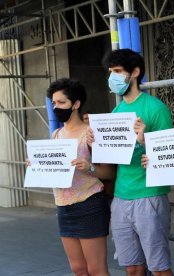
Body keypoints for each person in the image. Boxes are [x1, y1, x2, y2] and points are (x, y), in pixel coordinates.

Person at [87, 49, 173, 276]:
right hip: (121, 198)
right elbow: (109, 161)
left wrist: (145, 141)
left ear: (134, 73)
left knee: (159, 268)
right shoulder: (116, 111)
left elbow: (171, 157)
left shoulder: (155, 109)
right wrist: (93, 143)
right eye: (110, 72)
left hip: (149, 195)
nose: (112, 78)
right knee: (132, 268)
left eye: (117, 71)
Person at [45, 78, 115, 276]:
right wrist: (38, 166)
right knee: (78, 269)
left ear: (75, 104)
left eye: (61, 103)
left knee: (96, 269)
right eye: (54, 103)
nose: (56, 107)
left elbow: (109, 173)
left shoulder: (90, 134)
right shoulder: (56, 135)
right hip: (63, 206)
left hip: (89, 203)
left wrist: (89, 168)